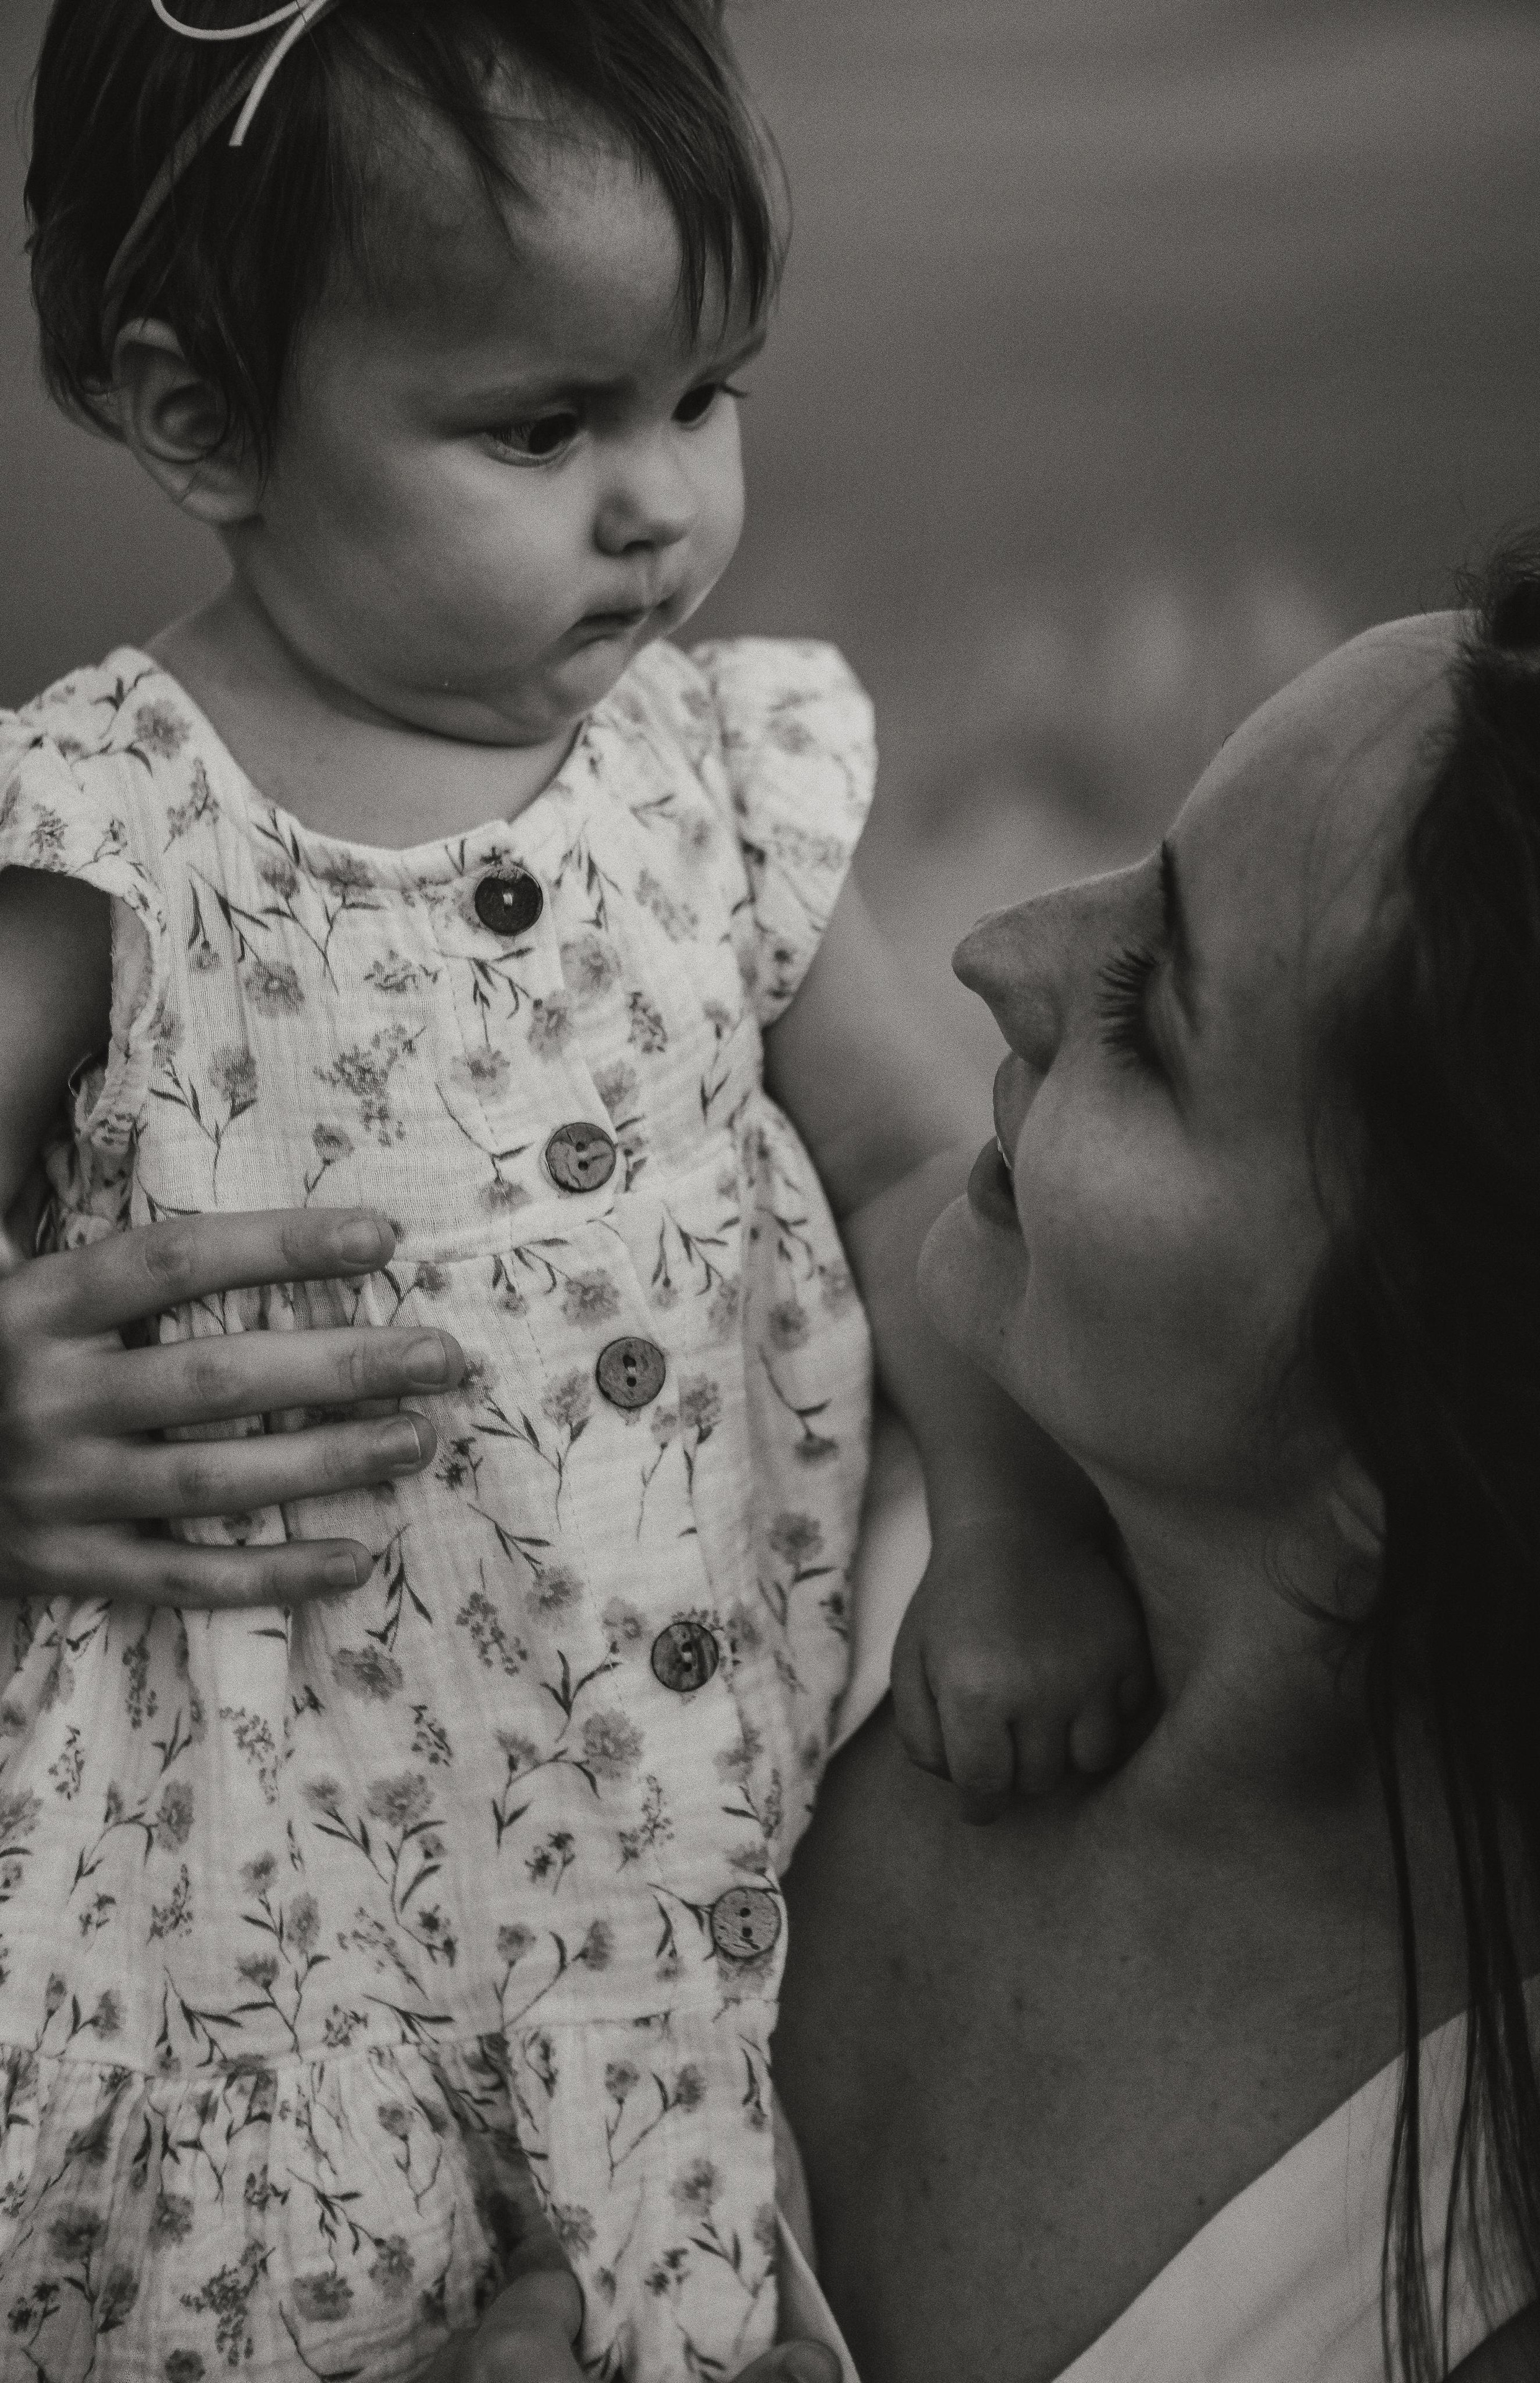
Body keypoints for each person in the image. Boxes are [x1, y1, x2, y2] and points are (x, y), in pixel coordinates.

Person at [0, 5, 1144, 2379]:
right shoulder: (113, 832)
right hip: (250, 1917)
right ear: (197, 415)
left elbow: (937, 1161)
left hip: (681, 1891)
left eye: (702, 395)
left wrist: (1018, 1534)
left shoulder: (718, 785)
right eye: (542, 427)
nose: (661, 505)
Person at [771, 555, 1540, 2382]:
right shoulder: (822, 1496)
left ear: (1425, 1432)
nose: (997, 951)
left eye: (1155, 1011)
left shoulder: (1459, 2295)